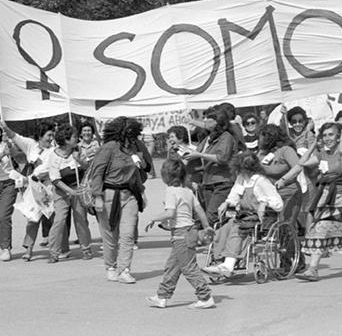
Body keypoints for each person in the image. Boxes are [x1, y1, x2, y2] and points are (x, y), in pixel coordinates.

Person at [295, 123, 342, 281]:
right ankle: (312, 269)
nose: (327, 138)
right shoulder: (322, 154)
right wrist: (314, 144)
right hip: (328, 197)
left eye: (331, 135)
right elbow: (302, 163)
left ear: (339, 136)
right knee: (320, 228)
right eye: (325, 135)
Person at [145, 159, 216, 309]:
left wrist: (154, 218)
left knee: (189, 268)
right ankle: (162, 296)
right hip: (191, 231)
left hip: (180, 234)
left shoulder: (170, 192)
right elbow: (200, 211)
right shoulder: (188, 192)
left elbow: (170, 213)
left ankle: (205, 296)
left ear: (165, 177)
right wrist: (207, 226)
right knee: (173, 266)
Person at [202, 151, 283, 277]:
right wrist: (227, 203)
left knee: (237, 230)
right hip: (243, 215)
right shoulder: (241, 179)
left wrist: (264, 203)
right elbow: (234, 194)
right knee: (223, 229)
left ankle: (228, 265)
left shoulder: (261, 181)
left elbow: (278, 203)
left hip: (259, 217)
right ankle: (219, 260)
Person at [89, 117, 148, 283]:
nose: (133, 137)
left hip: (130, 195)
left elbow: (137, 173)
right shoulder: (108, 148)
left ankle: (124, 269)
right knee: (110, 236)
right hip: (109, 195)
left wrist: (142, 193)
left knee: (128, 234)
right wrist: (97, 197)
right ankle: (111, 266)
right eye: (130, 133)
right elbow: (97, 173)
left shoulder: (135, 148)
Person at [0, 119, 55, 261]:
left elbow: (48, 169)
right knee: (33, 218)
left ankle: (58, 248)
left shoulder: (54, 150)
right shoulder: (31, 145)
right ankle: (29, 249)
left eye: (52, 135)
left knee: (55, 219)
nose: (51, 138)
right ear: (40, 136)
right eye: (48, 135)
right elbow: (16, 137)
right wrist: (5, 128)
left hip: (48, 188)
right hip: (33, 189)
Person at [44, 124, 92, 263]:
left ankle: (86, 248)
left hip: (78, 188)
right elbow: (55, 179)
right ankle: (54, 252)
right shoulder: (53, 154)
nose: (77, 138)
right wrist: (70, 192)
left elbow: (88, 168)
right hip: (61, 190)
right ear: (65, 140)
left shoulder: (77, 150)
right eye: (74, 137)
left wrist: (79, 160)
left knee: (80, 219)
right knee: (59, 220)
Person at [185, 108, 236, 226]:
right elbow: (197, 153)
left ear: (218, 121)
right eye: (205, 118)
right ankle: (215, 240)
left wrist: (199, 155)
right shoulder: (208, 138)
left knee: (211, 216)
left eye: (209, 119)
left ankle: (212, 239)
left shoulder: (226, 136)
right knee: (210, 214)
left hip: (222, 181)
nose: (205, 121)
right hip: (207, 182)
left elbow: (222, 158)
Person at [257, 124, 303, 227]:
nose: (259, 140)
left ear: (269, 137)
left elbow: (298, 167)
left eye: (261, 137)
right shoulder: (262, 153)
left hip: (289, 194)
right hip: (270, 196)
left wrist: (284, 180)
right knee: (267, 228)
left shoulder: (286, 150)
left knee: (284, 227)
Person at [0, 127, 21, 261]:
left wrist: (11, 147)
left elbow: (19, 157)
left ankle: (5, 247)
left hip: (8, 183)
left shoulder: (5, 143)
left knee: (3, 216)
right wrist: (2, 155)